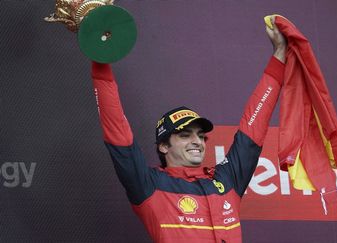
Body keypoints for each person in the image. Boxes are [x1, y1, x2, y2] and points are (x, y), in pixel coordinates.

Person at [91, 16, 286, 243]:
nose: (197, 141)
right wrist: (100, 57)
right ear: (163, 146)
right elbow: (117, 132)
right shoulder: (149, 185)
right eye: (185, 135)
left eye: (201, 136)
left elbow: (254, 126)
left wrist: (280, 54)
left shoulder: (226, 179)